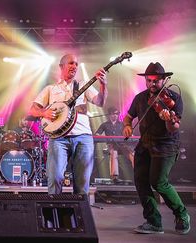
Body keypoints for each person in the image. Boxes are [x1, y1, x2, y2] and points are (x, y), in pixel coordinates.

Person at [122, 62, 190, 235]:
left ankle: (182, 215)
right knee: (140, 181)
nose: (152, 84)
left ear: (164, 80)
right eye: (149, 80)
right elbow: (128, 117)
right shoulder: (140, 98)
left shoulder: (173, 98)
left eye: (156, 81)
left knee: (158, 182)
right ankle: (153, 222)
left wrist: (168, 119)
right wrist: (127, 126)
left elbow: (173, 127)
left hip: (166, 145)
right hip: (145, 144)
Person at [29, 53, 108, 194]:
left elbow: (100, 102)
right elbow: (33, 109)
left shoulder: (83, 85)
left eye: (76, 64)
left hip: (83, 136)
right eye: (71, 63)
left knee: (82, 182)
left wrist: (103, 85)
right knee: (55, 178)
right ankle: (54, 213)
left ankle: (80, 214)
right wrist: (44, 113)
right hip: (58, 138)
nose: (74, 66)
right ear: (61, 66)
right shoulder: (51, 89)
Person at [95, 107, 134, 181]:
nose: (115, 116)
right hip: (111, 145)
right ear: (109, 115)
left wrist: (131, 135)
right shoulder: (104, 124)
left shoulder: (122, 124)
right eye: (113, 114)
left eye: (116, 114)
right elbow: (97, 134)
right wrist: (99, 135)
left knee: (132, 154)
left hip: (122, 145)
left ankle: (137, 172)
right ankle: (114, 176)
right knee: (114, 153)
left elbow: (129, 134)